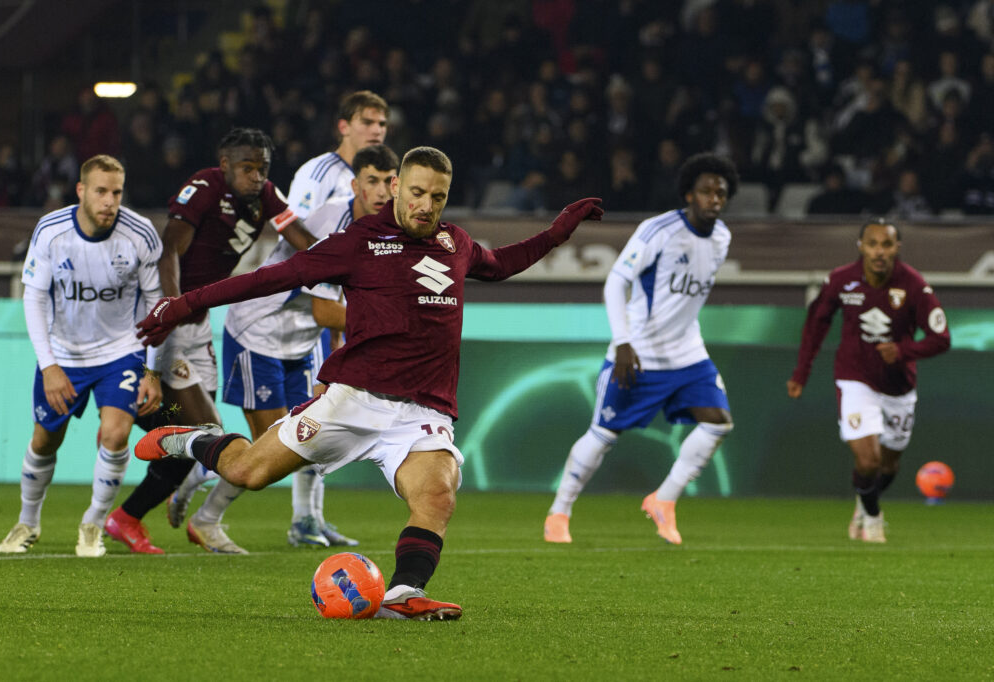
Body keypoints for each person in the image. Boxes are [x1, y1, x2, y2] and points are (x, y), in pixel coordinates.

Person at [133, 147, 603, 619]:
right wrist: (182, 304)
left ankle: (402, 594)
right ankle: (191, 439)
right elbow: (272, 278)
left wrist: (557, 232)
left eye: (437, 197)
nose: (426, 205)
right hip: (353, 400)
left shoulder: (454, 244)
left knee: (437, 494)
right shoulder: (358, 241)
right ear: (396, 186)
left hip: (422, 410)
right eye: (417, 192)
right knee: (247, 473)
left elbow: (500, 263)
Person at [173, 144, 399, 549]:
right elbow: (325, 310)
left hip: (302, 342)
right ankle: (204, 490)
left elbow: (336, 311)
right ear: (355, 184)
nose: (381, 190)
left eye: (388, 181)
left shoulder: (385, 232)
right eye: (372, 181)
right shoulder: (334, 225)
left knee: (310, 439)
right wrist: (392, 323)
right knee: (273, 446)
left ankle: (305, 522)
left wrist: (333, 366)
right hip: (260, 333)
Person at [103, 128, 315, 554]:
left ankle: (128, 517)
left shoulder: (266, 195)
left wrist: (343, 261)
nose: (257, 177)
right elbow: (170, 251)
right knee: (203, 434)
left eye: (263, 168)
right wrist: (171, 308)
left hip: (199, 325)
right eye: (247, 168)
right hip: (170, 323)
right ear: (224, 166)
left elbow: (304, 241)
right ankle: (120, 517)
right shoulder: (203, 188)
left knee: (201, 435)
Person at [544, 152, 739, 546]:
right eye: (706, 191)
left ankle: (664, 500)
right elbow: (616, 283)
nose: (715, 199)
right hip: (640, 353)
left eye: (721, 192)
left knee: (718, 421)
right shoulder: (659, 231)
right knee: (603, 434)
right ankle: (559, 511)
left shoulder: (722, 238)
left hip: (688, 354)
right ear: (689, 194)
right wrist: (623, 342)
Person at [0, 155, 163, 557]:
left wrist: (151, 370)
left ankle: (92, 523)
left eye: (117, 192)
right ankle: (28, 521)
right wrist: (49, 364)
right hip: (64, 354)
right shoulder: (52, 232)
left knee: (116, 433)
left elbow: (157, 304)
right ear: (82, 191)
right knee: (44, 441)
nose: (110, 201)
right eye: (101, 192)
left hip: (120, 351)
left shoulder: (140, 234)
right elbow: (34, 298)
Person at [786, 219, 950, 543]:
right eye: (872, 243)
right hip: (854, 378)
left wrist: (904, 350)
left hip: (899, 387)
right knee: (868, 459)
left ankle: (864, 503)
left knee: (888, 466)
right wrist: (801, 373)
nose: (879, 251)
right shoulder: (841, 280)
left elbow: (941, 337)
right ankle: (873, 520)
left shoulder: (914, 286)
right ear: (860, 246)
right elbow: (815, 325)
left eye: (886, 244)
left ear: (896, 248)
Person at [277, 89, 389, 546]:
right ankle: (198, 489)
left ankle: (310, 517)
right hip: (292, 305)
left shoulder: (378, 179)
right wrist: (326, 271)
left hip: (325, 306)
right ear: (343, 126)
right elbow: (293, 229)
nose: (376, 130)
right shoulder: (319, 172)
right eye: (367, 121)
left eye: (382, 123)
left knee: (320, 408)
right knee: (287, 422)